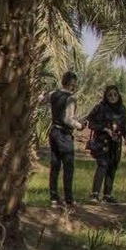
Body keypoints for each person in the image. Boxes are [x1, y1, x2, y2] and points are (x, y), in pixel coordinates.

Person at [40, 72, 86, 208]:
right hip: (64, 135)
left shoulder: (53, 94)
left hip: (53, 132)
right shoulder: (71, 98)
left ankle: (54, 198)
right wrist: (80, 126)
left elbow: (41, 100)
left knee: (55, 166)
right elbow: (68, 119)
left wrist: (42, 94)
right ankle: (68, 199)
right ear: (73, 83)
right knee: (68, 167)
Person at [86, 84, 126, 203]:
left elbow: (125, 125)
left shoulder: (122, 109)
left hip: (116, 143)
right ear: (106, 96)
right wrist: (105, 129)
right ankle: (94, 194)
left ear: (118, 95)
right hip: (103, 142)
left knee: (112, 167)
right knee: (102, 166)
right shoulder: (100, 108)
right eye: (110, 94)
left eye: (115, 94)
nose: (113, 96)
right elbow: (91, 124)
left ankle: (107, 195)